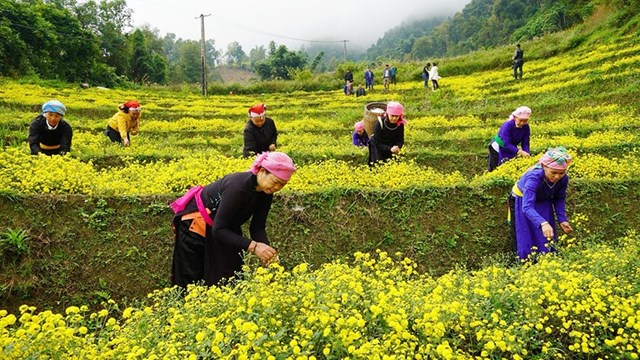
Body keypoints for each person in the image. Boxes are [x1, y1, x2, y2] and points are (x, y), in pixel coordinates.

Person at [170, 151, 297, 288]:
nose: (277, 188)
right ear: (261, 171)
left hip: (223, 226)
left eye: (282, 185)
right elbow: (219, 230)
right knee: (192, 278)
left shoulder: (266, 193)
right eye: (276, 182)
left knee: (231, 276)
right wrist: (254, 247)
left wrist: (267, 253)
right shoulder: (238, 186)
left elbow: (257, 227)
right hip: (196, 224)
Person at [509, 147, 573, 261]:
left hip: (543, 198)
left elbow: (559, 198)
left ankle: (546, 259)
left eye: (561, 173)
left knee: (546, 234)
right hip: (522, 199)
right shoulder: (533, 178)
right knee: (525, 233)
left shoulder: (563, 179)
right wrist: (542, 223)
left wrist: (562, 219)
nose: (557, 176)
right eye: (554, 172)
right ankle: (526, 262)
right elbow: (527, 207)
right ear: (544, 167)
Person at [488, 106, 532, 172]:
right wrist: (520, 152)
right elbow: (506, 143)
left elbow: (525, 142)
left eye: (525, 121)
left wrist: (526, 153)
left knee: (509, 166)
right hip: (498, 146)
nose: (522, 123)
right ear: (515, 118)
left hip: (511, 147)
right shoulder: (507, 125)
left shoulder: (526, 127)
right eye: (521, 120)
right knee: (496, 168)